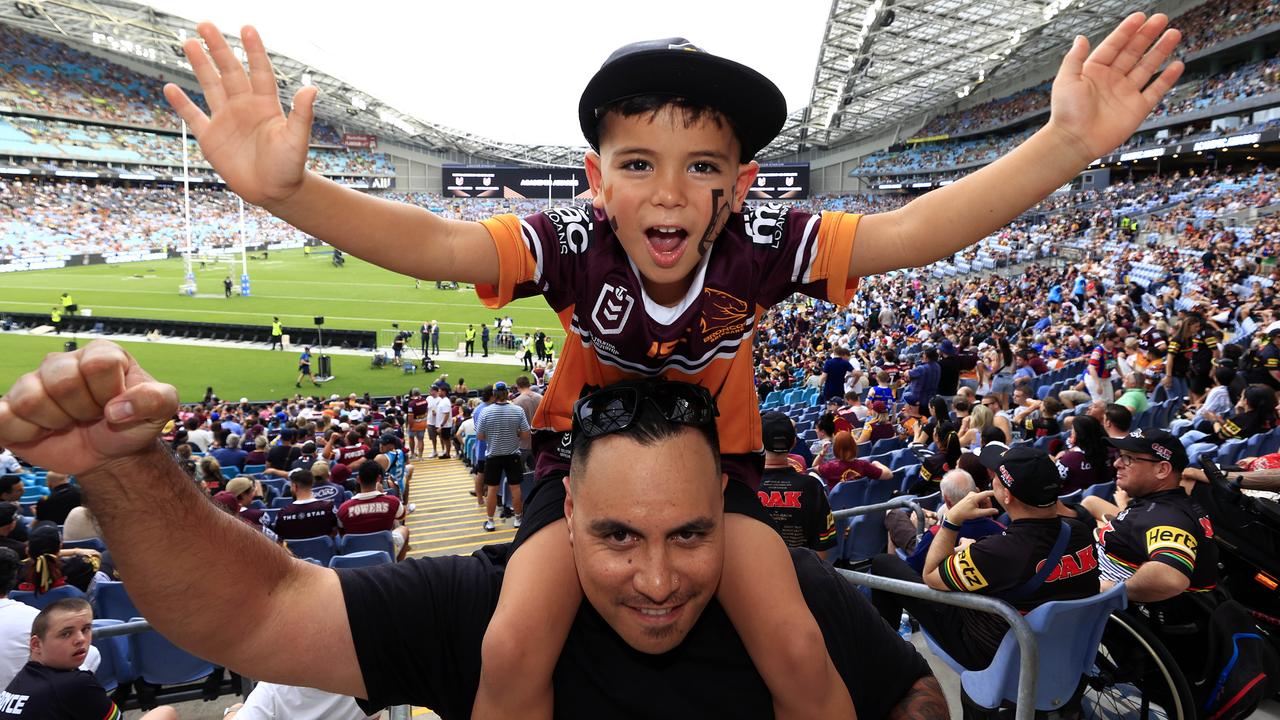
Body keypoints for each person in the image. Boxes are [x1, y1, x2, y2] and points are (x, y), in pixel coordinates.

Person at [162, 15, 1184, 718]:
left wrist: (1062, 144)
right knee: (513, 646)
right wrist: (288, 194)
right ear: (592, 181)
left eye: (700, 166)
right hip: (577, 470)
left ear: (738, 185)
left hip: (716, 478)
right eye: (638, 162)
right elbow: (438, 246)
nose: (669, 190)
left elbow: (911, 231)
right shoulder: (566, 242)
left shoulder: (766, 244)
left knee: (796, 647)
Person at [0, 349, 946, 719]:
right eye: (618, 535)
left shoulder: (790, 596)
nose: (658, 579)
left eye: (691, 535)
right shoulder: (478, 608)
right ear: (565, 513)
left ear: (731, 523)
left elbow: (911, 692)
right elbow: (249, 613)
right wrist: (124, 468)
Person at [869, 445, 1100, 670]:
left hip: (991, 651)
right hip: (1062, 646)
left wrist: (952, 520)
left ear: (1006, 496)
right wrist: (979, 552)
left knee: (884, 563)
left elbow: (931, 576)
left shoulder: (997, 552)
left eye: (996, 477)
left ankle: (884, 658)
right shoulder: (1079, 530)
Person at [1, 598, 176, 719]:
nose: (81, 639)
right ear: (36, 644)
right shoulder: (75, 683)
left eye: (86, 629)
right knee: (166, 712)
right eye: (66, 633)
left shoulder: (22, 679)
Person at [758, 412, 836, 559]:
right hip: (802, 576)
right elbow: (821, 551)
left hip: (755, 575)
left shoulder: (744, 487)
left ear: (758, 443)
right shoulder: (813, 487)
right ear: (793, 442)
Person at [476, 382, 530, 532]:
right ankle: (518, 519)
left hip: (493, 456)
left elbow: (480, 436)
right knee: (515, 488)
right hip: (512, 455)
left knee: (492, 489)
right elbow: (526, 434)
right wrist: (514, 434)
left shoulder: (485, 412)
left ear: (494, 394)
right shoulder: (517, 410)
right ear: (507, 393)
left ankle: (490, 522)